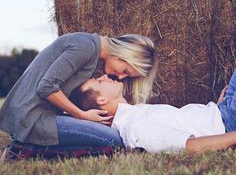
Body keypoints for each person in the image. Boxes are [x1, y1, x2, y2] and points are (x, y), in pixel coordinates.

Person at [0, 32, 157, 159]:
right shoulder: (85, 47)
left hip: (39, 115)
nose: (121, 77)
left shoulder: (89, 47)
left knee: (110, 136)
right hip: (32, 117)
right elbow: (46, 87)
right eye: (125, 71)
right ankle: (26, 149)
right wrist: (82, 116)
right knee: (114, 139)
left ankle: (30, 146)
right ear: (121, 55)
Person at [69, 70, 236, 154]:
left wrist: (215, 108)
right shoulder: (136, 128)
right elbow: (191, 147)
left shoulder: (133, 113)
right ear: (101, 100)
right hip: (228, 123)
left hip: (221, 110)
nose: (105, 76)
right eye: (99, 81)